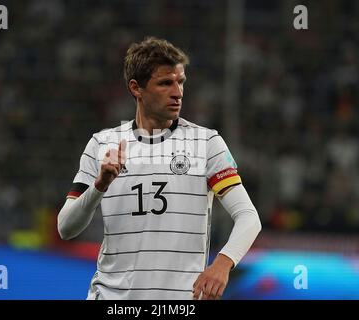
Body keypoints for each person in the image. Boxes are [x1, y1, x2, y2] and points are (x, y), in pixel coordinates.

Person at [57, 37, 261, 300]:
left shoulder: (206, 143)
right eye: (165, 83)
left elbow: (248, 217)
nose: (177, 92)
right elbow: (65, 227)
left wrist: (222, 264)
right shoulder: (103, 144)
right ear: (136, 88)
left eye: (181, 82)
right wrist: (100, 186)